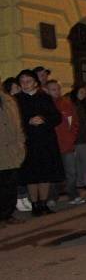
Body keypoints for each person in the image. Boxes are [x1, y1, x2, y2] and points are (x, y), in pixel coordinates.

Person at [14, 70, 64, 215]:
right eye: (22, 81)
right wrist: (27, 121)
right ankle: (35, 204)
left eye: (28, 81)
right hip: (28, 141)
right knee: (31, 175)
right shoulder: (16, 99)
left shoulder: (45, 97)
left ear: (35, 83)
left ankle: (43, 203)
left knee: (45, 174)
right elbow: (13, 121)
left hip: (45, 140)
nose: (25, 84)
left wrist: (43, 119)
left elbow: (57, 117)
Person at [45, 79, 84, 205]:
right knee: (54, 173)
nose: (56, 92)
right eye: (53, 90)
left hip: (66, 144)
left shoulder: (67, 103)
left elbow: (75, 123)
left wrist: (71, 137)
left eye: (58, 89)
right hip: (51, 145)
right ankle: (52, 197)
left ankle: (73, 195)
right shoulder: (45, 104)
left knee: (71, 172)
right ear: (47, 90)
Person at [0, 88, 26, 226]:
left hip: (11, 151)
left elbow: (18, 124)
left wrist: (20, 145)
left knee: (10, 186)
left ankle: (7, 214)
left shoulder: (9, 100)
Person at [69, 84, 86, 192]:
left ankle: (81, 181)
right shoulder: (74, 105)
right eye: (81, 92)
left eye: (84, 92)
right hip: (78, 137)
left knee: (82, 160)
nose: (83, 94)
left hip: (83, 136)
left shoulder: (82, 105)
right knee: (84, 161)